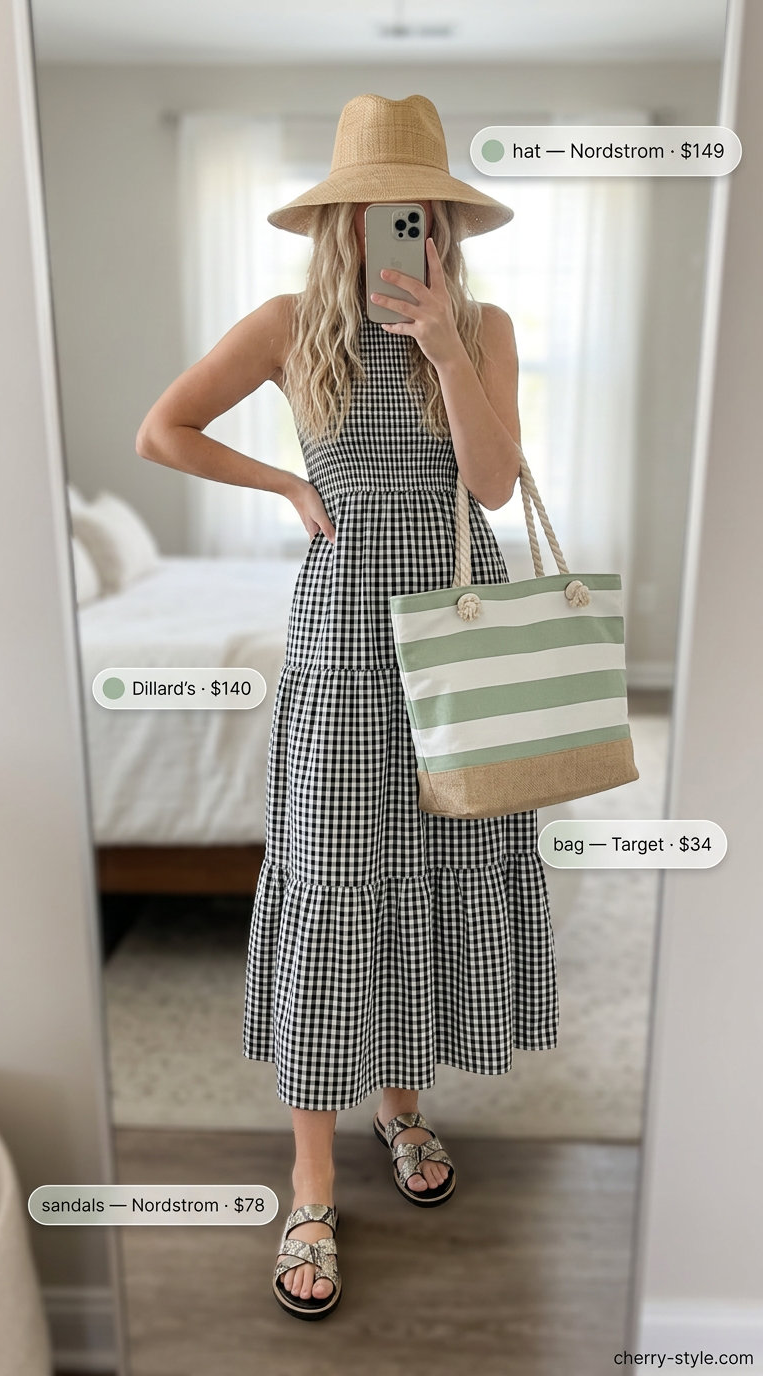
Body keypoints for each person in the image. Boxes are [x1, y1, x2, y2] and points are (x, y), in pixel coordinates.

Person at [136, 92, 559, 1322]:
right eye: (377, 211)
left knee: (433, 869)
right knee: (334, 889)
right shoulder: (284, 325)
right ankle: (311, 1178)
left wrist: (441, 346)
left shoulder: (487, 327)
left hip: (459, 646)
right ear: (341, 219)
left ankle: (404, 1101)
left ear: (441, 223)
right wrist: (280, 481)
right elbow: (163, 429)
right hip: (339, 654)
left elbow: (489, 486)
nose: (398, 230)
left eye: (416, 214)